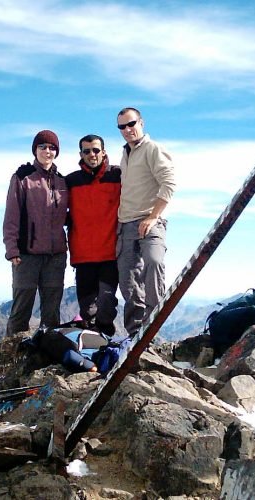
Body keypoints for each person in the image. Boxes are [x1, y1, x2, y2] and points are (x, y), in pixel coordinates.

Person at [116, 107, 176, 336]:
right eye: (122, 126)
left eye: (131, 124)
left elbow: (169, 183)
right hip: (126, 224)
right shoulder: (125, 154)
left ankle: (153, 327)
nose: (127, 130)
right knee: (128, 281)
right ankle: (134, 334)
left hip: (150, 221)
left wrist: (153, 216)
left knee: (154, 262)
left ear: (141, 122)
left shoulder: (152, 149)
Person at [3, 130, 69, 336]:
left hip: (55, 255)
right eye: (42, 147)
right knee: (22, 308)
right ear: (35, 150)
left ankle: (47, 356)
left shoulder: (62, 181)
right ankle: (10, 359)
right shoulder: (23, 177)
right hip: (26, 254)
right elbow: (12, 215)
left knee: (51, 311)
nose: (47, 151)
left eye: (52, 148)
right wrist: (12, 249)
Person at [65, 134, 121, 336]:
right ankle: (91, 347)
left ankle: (106, 341)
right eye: (87, 151)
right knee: (87, 309)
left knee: (106, 305)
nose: (92, 154)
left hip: (110, 253)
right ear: (81, 154)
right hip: (83, 255)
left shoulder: (118, 176)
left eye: (96, 150)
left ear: (104, 152)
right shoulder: (70, 181)